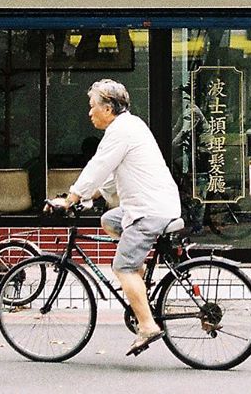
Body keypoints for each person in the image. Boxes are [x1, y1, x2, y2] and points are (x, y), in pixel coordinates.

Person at [45, 79, 181, 357]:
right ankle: (138, 279)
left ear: (108, 108)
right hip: (148, 206)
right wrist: (86, 198)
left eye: (92, 106)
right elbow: (107, 179)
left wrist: (70, 198)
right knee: (109, 220)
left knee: (122, 267)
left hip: (149, 210)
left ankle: (147, 325)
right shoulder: (129, 126)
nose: (89, 112)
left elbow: (98, 167)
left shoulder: (121, 131)